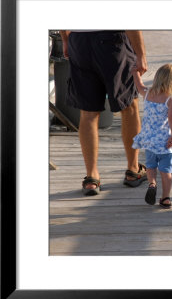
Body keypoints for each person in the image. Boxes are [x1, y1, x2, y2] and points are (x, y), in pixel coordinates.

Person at [59, 30, 148, 196]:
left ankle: (92, 177)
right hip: (112, 39)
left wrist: (66, 40)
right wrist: (141, 54)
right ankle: (133, 170)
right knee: (129, 107)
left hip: (79, 40)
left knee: (88, 113)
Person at [132, 64, 172, 209]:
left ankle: (152, 184)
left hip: (149, 141)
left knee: (150, 166)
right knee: (166, 171)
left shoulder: (148, 93)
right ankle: (166, 198)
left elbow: (139, 85)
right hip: (164, 142)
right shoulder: (171, 99)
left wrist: (135, 72)